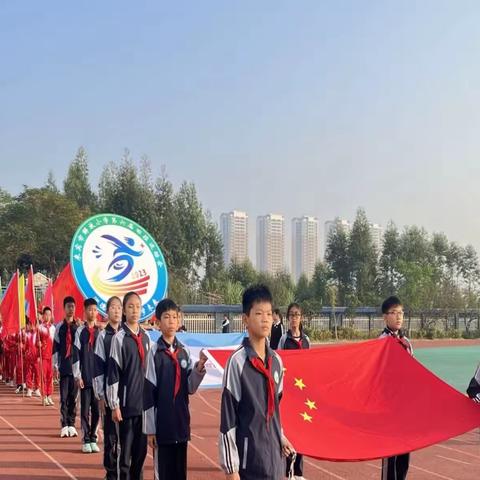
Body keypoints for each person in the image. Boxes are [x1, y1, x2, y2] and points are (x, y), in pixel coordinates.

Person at [219, 284, 294, 480]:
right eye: (259, 313)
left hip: (275, 463)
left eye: (269, 314)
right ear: (245, 319)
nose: (266, 319)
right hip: (248, 465)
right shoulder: (237, 363)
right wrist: (231, 469)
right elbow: (228, 420)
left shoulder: (276, 362)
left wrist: (282, 436)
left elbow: (274, 410)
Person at [144, 298, 207, 480]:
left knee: (180, 473)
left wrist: (199, 368)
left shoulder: (185, 352)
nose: (171, 321)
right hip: (162, 426)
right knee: (163, 473)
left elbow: (190, 388)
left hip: (181, 424)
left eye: (174, 317)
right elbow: (148, 393)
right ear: (157, 322)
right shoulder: (154, 353)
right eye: (166, 317)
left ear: (179, 321)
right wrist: (150, 429)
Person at [107, 291, 150, 480]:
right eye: (130, 306)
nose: (135, 310)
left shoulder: (147, 338)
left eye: (138, 307)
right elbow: (113, 374)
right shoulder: (119, 338)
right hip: (125, 407)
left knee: (140, 455)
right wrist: (114, 405)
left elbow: (151, 375)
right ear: (124, 310)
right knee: (125, 456)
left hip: (143, 407)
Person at [379, 296, 412, 480]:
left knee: (404, 457)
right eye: (394, 313)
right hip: (387, 410)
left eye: (401, 312)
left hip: (404, 410)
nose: (398, 317)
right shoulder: (381, 342)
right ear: (385, 317)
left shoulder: (407, 343)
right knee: (389, 459)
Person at [279, 303, 310, 480]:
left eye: (297, 315)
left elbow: (310, 365)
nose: (294, 318)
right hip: (288, 392)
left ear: (301, 317)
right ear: (288, 318)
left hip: (302, 394)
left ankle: (298, 472)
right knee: (287, 431)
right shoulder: (284, 340)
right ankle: (286, 470)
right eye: (291, 315)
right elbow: (278, 362)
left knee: (301, 432)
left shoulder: (306, 340)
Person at [93, 296, 122, 480]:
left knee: (126, 438)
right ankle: (111, 472)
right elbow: (97, 367)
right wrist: (101, 395)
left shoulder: (128, 335)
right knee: (111, 436)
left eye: (119, 307)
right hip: (108, 394)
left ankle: (123, 470)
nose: (117, 311)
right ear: (107, 311)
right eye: (113, 307)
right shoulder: (103, 337)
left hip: (126, 396)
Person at [73, 298, 101, 453]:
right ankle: (86, 439)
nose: (92, 312)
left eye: (95, 310)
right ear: (85, 311)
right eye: (90, 309)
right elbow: (76, 354)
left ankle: (94, 437)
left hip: (97, 380)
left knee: (97, 411)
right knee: (84, 411)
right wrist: (78, 375)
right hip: (85, 378)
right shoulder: (80, 331)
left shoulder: (100, 333)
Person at [53, 296, 79, 438]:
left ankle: (72, 424)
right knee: (63, 398)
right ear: (64, 308)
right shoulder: (59, 327)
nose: (71, 309)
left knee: (73, 398)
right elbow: (55, 347)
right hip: (64, 367)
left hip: (75, 369)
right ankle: (64, 425)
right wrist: (55, 365)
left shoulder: (78, 327)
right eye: (68, 306)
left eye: (73, 306)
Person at [38, 306, 56, 406]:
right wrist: (38, 344)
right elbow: (36, 342)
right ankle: (44, 396)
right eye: (46, 314)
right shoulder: (40, 328)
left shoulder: (53, 328)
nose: (48, 316)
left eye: (49, 315)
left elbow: (55, 342)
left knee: (50, 377)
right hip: (43, 356)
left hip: (51, 356)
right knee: (43, 376)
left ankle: (49, 395)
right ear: (43, 316)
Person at [25, 321, 41, 398]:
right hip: (29, 357)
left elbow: (40, 346)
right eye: (29, 325)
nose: (31, 326)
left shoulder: (38, 335)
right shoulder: (27, 334)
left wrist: (39, 356)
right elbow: (26, 346)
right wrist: (25, 352)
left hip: (36, 357)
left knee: (37, 373)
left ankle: (37, 388)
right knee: (29, 373)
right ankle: (29, 388)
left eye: (32, 325)